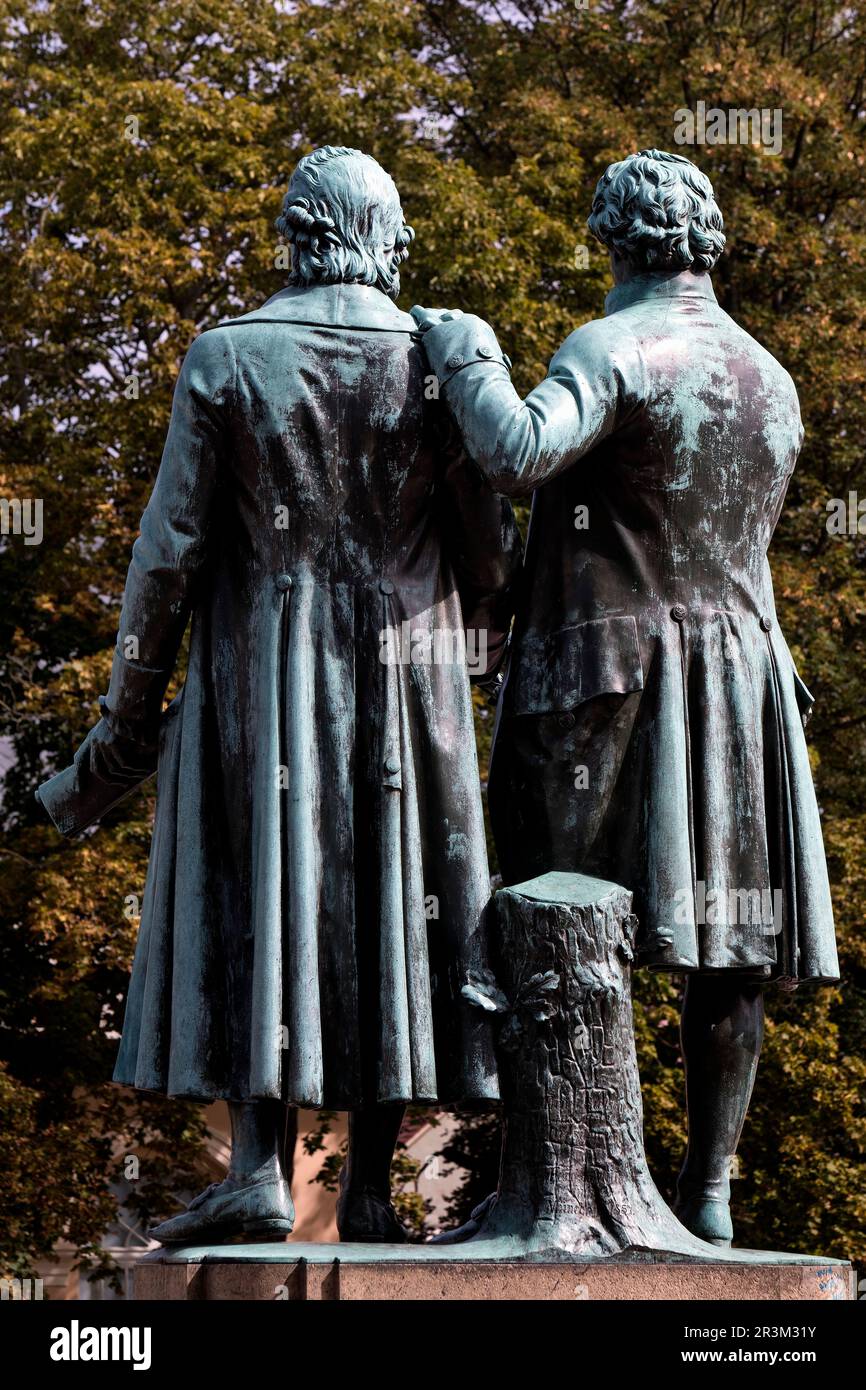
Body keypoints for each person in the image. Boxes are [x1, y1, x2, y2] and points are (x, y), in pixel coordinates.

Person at [38, 146, 521, 1244]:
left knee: (262, 885)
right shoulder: (439, 360)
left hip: (262, 665)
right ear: (379, 236)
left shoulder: (226, 357)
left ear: (295, 233)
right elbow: (490, 559)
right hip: (411, 677)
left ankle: (257, 1163)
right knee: (394, 903)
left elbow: (167, 555)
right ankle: (362, 1191)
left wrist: (123, 728)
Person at [411, 149, 839, 1247]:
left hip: (615, 680)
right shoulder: (769, 375)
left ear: (613, 236)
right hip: (740, 678)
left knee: (560, 924)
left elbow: (515, 451)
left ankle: (552, 1183)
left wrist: (463, 351)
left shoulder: (613, 346)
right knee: (728, 948)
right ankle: (708, 1187)